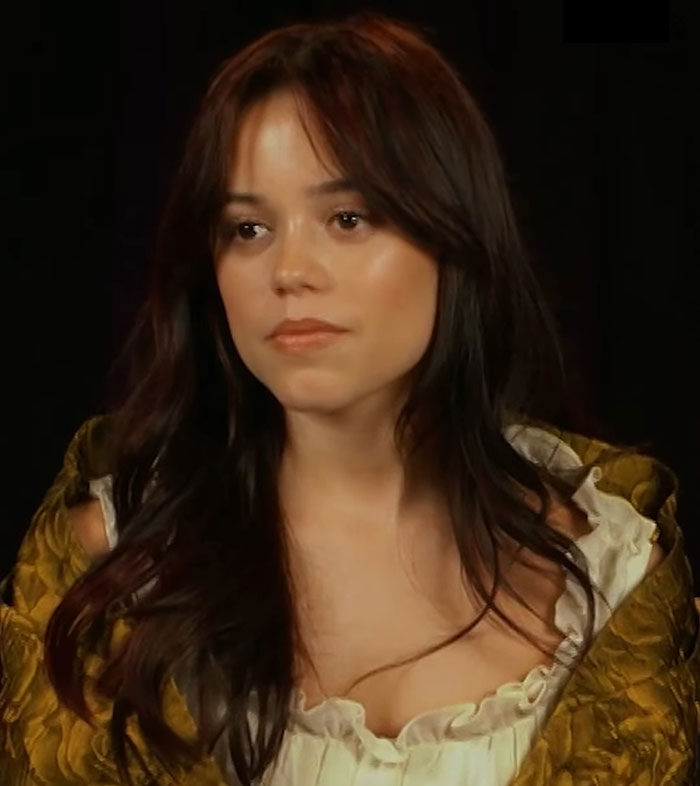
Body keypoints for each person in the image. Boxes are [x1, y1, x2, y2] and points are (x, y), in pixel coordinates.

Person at [1, 11, 698, 786]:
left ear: (454, 235)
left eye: (347, 217)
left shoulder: (615, 576)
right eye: (248, 228)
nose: (290, 269)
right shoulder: (106, 564)